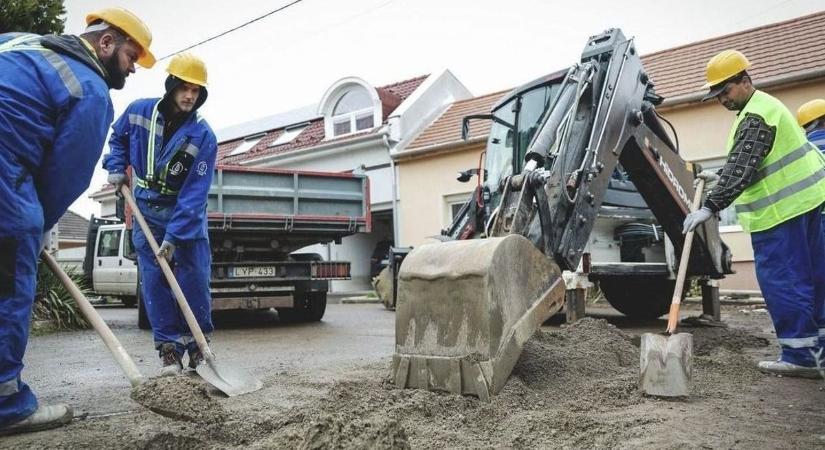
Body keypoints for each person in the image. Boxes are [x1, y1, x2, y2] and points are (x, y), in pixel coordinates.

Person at [0, 7, 154, 436]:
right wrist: (35, 229)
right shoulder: (89, 90)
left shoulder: (18, 41)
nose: (132, 69)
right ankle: (5, 404)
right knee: (6, 284)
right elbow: (64, 179)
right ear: (105, 43)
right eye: (130, 56)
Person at [684, 50, 825, 378]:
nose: (721, 99)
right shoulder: (766, 107)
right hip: (808, 204)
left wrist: (709, 206)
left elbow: (744, 165)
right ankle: (817, 351)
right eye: (716, 94)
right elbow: (750, 159)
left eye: (725, 91)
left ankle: (801, 357)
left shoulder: (755, 115)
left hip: (779, 214)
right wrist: (721, 172)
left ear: (744, 81)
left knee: (785, 281)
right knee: (813, 277)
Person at [103, 53, 217, 377]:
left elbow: (195, 192)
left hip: (184, 213)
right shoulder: (139, 111)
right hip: (144, 209)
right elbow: (117, 138)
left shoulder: (203, 136)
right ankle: (169, 351)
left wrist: (174, 237)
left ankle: (198, 348)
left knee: (193, 280)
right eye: (184, 88)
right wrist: (116, 168)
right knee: (154, 283)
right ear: (170, 86)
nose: (189, 96)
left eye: (196, 91)